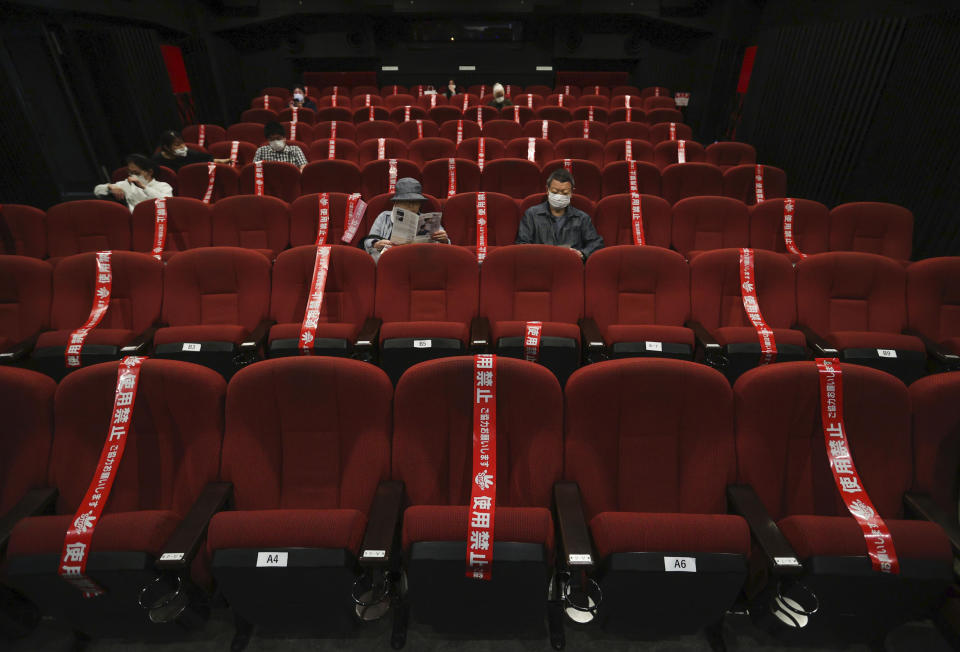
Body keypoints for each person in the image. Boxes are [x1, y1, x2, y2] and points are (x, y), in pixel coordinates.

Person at [515, 168, 603, 260]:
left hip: (570, 264)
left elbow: (596, 243)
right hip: (540, 264)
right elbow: (521, 244)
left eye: (565, 193)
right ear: (547, 190)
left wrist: (582, 254)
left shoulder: (582, 218)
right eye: (555, 192)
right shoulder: (531, 214)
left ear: (572, 192)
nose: (559, 196)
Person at [363, 178, 450, 259]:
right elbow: (369, 241)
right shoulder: (384, 217)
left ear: (420, 204)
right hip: (391, 258)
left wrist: (444, 240)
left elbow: (446, 244)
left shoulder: (428, 220)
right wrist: (376, 244)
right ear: (396, 203)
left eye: (415, 202)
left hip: (420, 258)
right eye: (405, 202)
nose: (411, 206)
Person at [94, 154, 173, 212]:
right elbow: (97, 191)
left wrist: (143, 187)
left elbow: (167, 203)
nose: (132, 176)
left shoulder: (163, 186)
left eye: (136, 173)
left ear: (149, 172)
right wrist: (110, 186)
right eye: (130, 173)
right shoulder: (126, 184)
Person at [153, 130, 230, 172]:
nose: (182, 147)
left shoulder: (190, 153)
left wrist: (220, 161)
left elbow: (205, 159)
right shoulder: (157, 160)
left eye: (182, 143)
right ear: (166, 147)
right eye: (177, 145)